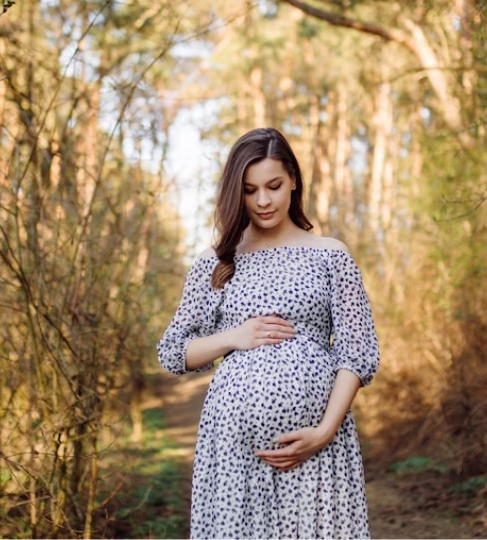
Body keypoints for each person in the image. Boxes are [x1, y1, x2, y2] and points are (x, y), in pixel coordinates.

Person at [158, 127, 380, 539]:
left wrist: (324, 432)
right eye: (250, 189)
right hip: (233, 452)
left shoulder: (330, 255)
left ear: (293, 179)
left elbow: (358, 353)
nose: (263, 200)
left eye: (274, 186)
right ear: (236, 193)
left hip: (316, 445)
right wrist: (233, 337)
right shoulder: (216, 263)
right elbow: (173, 352)